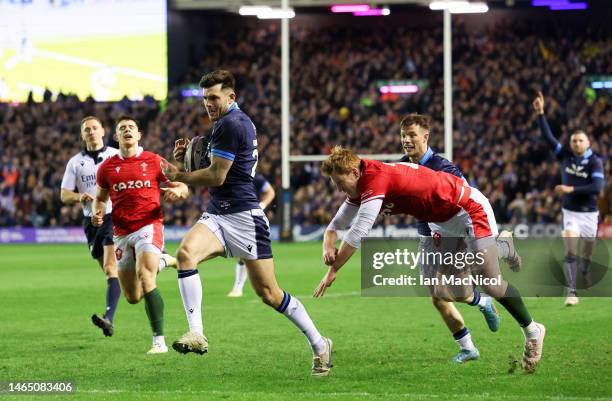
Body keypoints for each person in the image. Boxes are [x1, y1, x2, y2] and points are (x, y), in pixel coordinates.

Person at [315, 146, 546, 372]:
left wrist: (333, 270)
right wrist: (328, 245)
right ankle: (499, 250)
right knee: (442, 293)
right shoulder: (360, 186)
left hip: (466, 209)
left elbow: (357, 233)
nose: (338, 189)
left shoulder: (375, 180)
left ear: (354, 173)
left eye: (339, 183)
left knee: (490, 282)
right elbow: (335, 226)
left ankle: (533, 331)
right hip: (440, 223)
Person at [164, 69, 333, 376]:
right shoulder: (223, 124)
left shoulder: (232, 123)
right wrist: (186, 159)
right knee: (186, 254)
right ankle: (197, 334)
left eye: (214, 97)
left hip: (244, 217)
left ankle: (320, 343)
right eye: (205, 99)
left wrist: (180, 175)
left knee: (270, 294)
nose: (209, 104)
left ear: (232, 97)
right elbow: (213, 170)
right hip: (217, 212)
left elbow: (217, 175)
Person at [398, 113, 522, 363]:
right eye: (403, 135)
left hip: (457, 233)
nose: (407, 140)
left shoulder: (442, 167)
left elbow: (466, 202)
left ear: (425, 136)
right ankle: (469, 345)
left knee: (464, 282)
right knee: (437, 296)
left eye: (412, 135)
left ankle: (502, 247)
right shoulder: (402, 166)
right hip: (429, 235)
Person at [92, 115, 188, 354]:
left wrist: (178, 192)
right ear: (116, 137)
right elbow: (100, 199)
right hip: (122, 233)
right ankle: (165, 260)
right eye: (122, 128)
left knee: (146, 277)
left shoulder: (154, 161)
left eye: (131, 127)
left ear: (139, 135)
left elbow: (183, 183)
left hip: (149, 225)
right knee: (133, 296)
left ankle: (159, 342)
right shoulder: (106, 168)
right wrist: (97, 213)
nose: (127, 130)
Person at [532, 92, 605, 306]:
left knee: (587, 253)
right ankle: (572, 292)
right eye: (574, 140)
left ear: (588, 143)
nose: (576, 143)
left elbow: (597, 187)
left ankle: (585, 268)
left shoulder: (595, 162)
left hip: (590, 214)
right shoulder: (565, 155)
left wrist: (570, 188)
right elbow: (548, 138)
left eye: (580, 140)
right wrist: (540, 114)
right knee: (571, 250)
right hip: (571, 213)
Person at [60, 116, 120, 337]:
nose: (92, 132)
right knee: (109, 272)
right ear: (82, 135)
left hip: (113, 217)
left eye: (95, 128)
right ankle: (136, 282)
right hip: (90, 222)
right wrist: (79, 197)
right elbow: (64, 195)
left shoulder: (116, 156)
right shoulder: (75, 162)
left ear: (103, 131)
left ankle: (109, 318)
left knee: (110, 267)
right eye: (87, 130)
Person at [228, 173, 276, 297]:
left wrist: (262, 205)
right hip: (235, 217)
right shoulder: (230, 176)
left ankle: (238, 288)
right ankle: (241, 287)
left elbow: (270, 192)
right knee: (245, 254)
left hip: (251, 219)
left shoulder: (256, 178)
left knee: (245, 253)